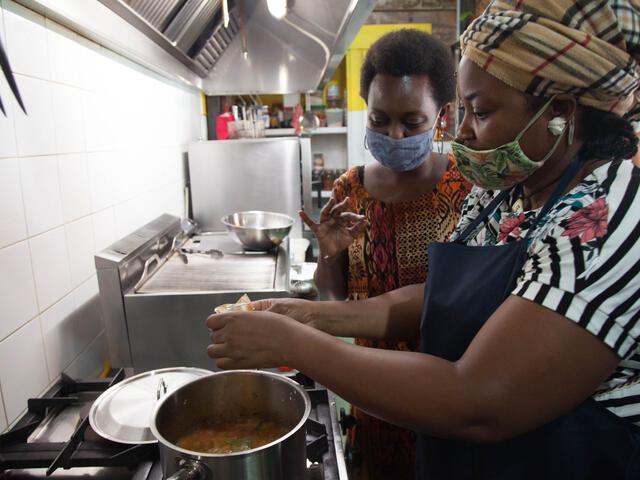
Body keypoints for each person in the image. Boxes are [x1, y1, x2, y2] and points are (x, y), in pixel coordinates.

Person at [206, 1, 640, 478]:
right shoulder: (505, 193)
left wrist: (296, 344)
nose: (465, 134)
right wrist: (306, 313)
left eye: (479, 111)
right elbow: (436, 298)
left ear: (560, 113)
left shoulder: (604, 216)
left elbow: (479, 398)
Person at [299, 29, 471, 479]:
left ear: (442, 116)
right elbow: (334, 301)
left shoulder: (469, 189)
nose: (394, 134)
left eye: (412, 122)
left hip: (446, 399)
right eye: (379, 120)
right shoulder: (348, 190)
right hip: (368, 394)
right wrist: (330, 254)